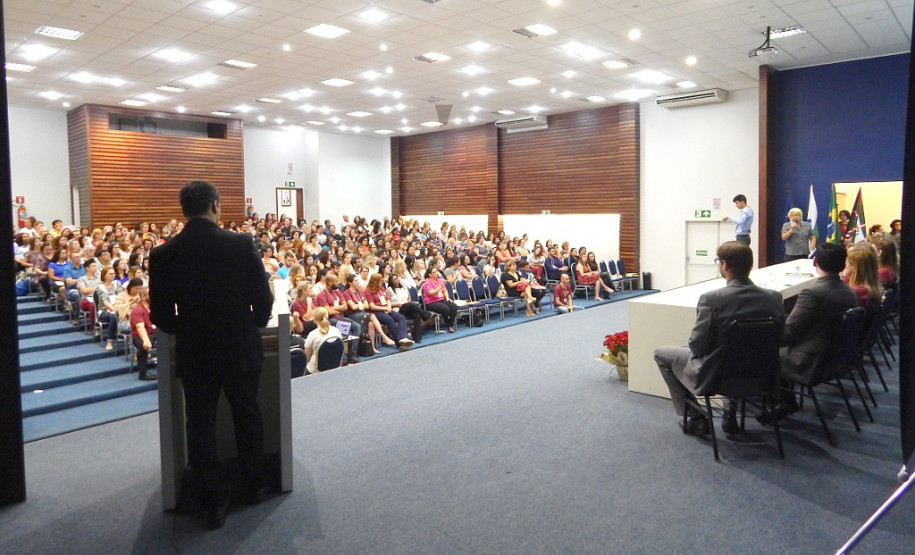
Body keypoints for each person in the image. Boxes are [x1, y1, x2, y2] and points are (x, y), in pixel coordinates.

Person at [148, 180, 274, 530]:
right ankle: (255, 485)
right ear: (215, 206)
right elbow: (262, 300)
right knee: (247, 413)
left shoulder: (164, 254)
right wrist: (250, 325)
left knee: (200, 423)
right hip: (239, 345)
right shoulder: (240, 244)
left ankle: (214, 498)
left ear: (183, 209)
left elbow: (160, 314)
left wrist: (188, 329)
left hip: (196, 349)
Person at [653, 242, 785, 436]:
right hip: (762, 375)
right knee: (739, 351)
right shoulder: (774, 298)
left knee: (661, 354)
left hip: (716, 378)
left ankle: (697, 418)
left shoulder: (711, 299)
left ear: (724, 264)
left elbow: (697, 346)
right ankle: (730, 410)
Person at [766, 243, 858, 425]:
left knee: (763, 349)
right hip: (834, 356)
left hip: (810, 361)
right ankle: (786, 400)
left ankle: (777, 402)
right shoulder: (850, 292)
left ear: (815, 262)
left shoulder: (812, 293)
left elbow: (787, 334)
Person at [842, 244, 882, 315]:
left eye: (845, 263)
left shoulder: (856, 293)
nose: (843, 265)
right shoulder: (868, 287)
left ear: (855, 268)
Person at [303, 307, 343, 374]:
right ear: (327, 316)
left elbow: (306, 358)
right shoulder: (337, 331)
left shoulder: (312, 334)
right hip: (335, 368)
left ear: (314, 319)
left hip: (315, 371)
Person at [130, 286, 158, 381]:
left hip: (155, 332)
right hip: (139, 335)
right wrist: (146, 341)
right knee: (143, 346)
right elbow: (140, 327)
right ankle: (143, 373)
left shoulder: (154, 306)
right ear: (143, 297)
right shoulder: (137, 310)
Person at [421, 267, 458, 332]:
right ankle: (449, 323)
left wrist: (447, 298)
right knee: (445, 309)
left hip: (441, 299)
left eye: (436, 271)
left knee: (453, 306)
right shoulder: (427, 283)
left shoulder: (439, 280)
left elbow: (445, 291)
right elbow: (430, 293)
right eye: (434, 272)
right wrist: (439, 288)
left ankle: (451, 324)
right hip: (431, 302)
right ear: (430, 274)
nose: (436, 273)